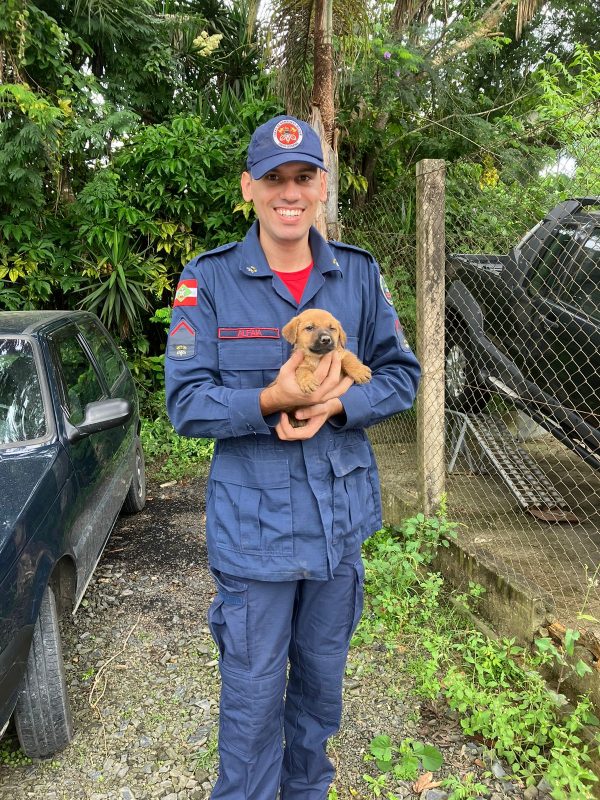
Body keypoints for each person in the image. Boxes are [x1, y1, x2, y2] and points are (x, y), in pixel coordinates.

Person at [165, 114, 421, 800]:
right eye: (274, 178)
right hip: (254, 536)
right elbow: (186, 404)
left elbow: (402, 377)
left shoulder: (359, 276)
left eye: (303, 176)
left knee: (317, 700)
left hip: (337, 532)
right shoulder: (211, 279)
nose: (289, 191)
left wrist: (337, 404)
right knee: (251, 711)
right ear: (249, 187)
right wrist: (271, 398)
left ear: (321, 187)